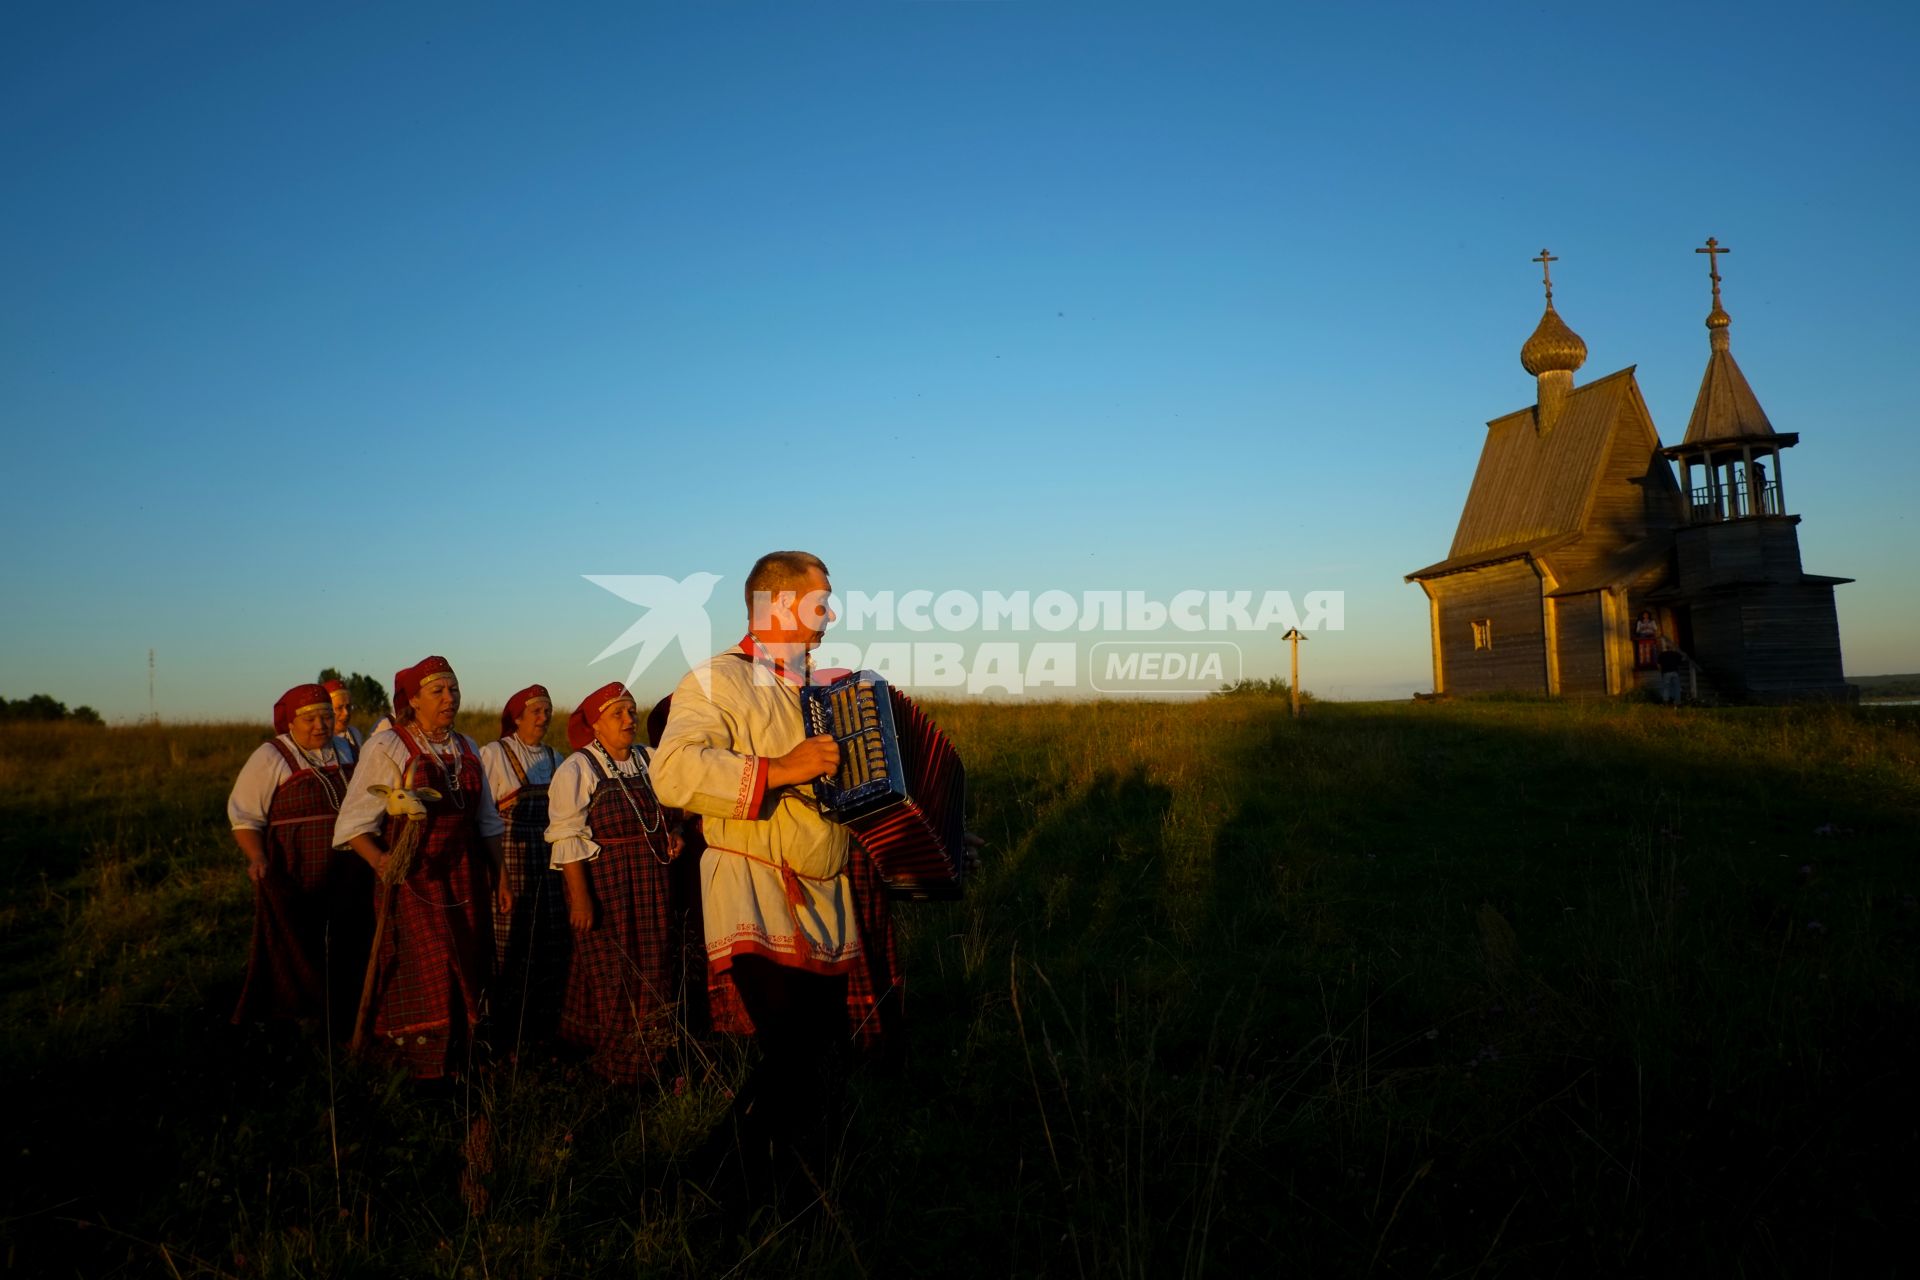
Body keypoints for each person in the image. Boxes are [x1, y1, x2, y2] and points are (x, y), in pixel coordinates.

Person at [652, 551, 862, 1188]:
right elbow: (673, 772)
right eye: (818, 600)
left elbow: (866, 790)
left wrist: (933, 832)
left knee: (815, 1057)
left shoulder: (830, 691)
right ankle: (705, 1189)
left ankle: (786, 1190)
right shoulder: (717, 680)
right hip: (752, 882)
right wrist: (781, 769)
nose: (829, 615)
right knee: (792, 1054)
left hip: (827, 894)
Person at [332, 656, 510, 1079]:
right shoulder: (389, 746)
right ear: (413, 700)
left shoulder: (466, 747)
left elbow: (486, 819)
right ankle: (418, 1066)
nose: (450, 698)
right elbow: (354, 823)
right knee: (429, 965)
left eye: (454, 689)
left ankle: (465, 1057)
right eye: (438, 691)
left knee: (470, 960)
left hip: (466, 873)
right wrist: (383, 862)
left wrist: (500, 874)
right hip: (414, 877)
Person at [545, 682, 688, 1082]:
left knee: (655, 963)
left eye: (631, 712)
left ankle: (646, 1054)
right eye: (618, 714)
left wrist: (675, 834)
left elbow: (673, 810)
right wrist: (581, 898)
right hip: (607, 885)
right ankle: (619, 1067)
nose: (630, 719)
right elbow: (567, 837)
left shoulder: (649, 758)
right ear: (596, 726)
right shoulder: (577, 769)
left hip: (651, 883)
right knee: (613, 970)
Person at [228, 683, 358, 1024]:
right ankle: (304, 1017)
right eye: (311, 719)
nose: (321, 725)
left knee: (347, 939)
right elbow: (244, 816)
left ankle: (346, 1011)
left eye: (326, 716)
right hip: (297, 869)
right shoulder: (271, 756)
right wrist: (257, 857)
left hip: (348, 869)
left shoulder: (345, 750)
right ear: (290, 724)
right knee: (302, 941)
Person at [478, 684, 567, 1042]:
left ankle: (545, 1021)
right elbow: (482, 816)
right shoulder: (494, 755)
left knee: (550, 937)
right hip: (510, 858)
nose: (544, 718)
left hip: (548, 859)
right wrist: (495, 873)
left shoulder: (557, 758)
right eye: (536, 712)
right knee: (508, 941)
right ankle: (498, 1025)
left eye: (547, 711)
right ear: (516, 718)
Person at [324, 679, 365, 768]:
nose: (346, 712)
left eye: (348, 706)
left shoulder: (354, 733)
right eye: (339, 708)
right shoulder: (322, 741)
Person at [1658, 639, 1687, 705]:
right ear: (1672, 648)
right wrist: (1683, 657)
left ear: (1666, 648)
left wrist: (1661, 672)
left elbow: (1659, 665)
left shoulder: (1662, 654)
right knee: (1677, 687)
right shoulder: (1676, 654)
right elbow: (1683, 659)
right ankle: (1678, 702)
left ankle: (1665, 701)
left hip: (1666, 672)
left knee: (1666, 687)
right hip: (1675, 672)